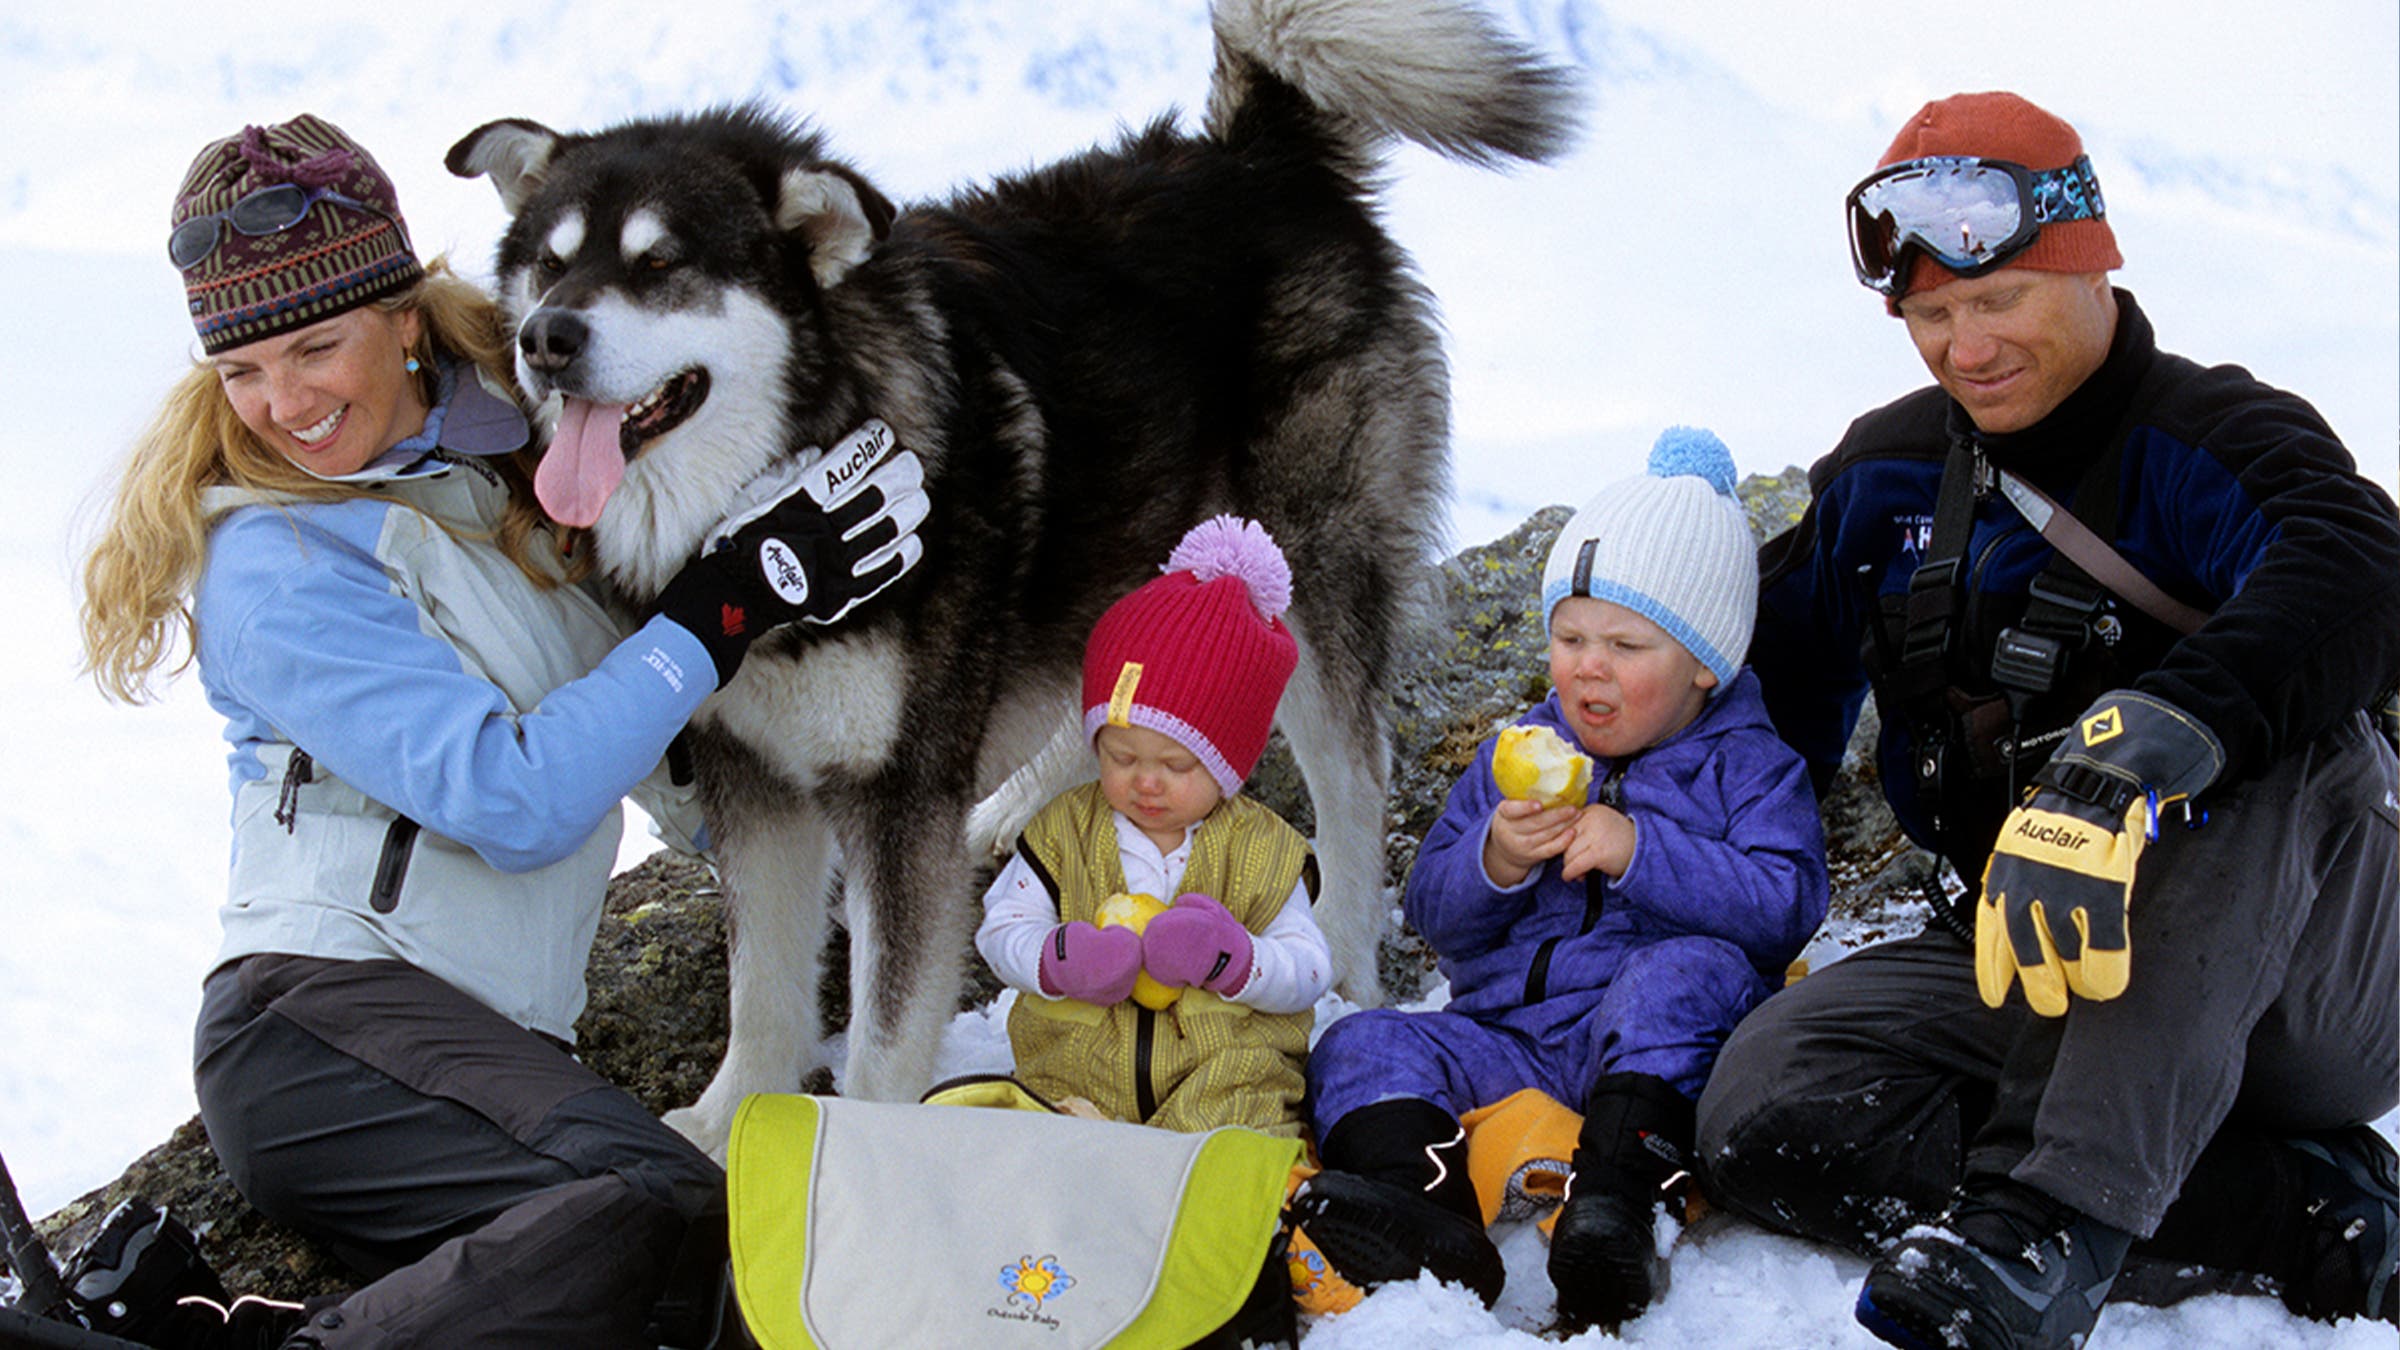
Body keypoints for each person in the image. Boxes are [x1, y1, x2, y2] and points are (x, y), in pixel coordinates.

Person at [72, 114, 928, 1349]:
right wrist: (729, 603)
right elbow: (515, 797)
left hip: (482, 1055)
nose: (285, 402)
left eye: (316, 345)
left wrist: (863, 742)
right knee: (665, 1205)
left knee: (701, 1285)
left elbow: (656, 753)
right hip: (319, 1028)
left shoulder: (508, 481)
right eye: (245, 371)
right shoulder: (276, 559)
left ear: (407, 317)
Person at [1693, 91, 2400, 1350]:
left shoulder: (2219, 438)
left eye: (1999, 300)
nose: (1967, 349)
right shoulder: (1887, 477)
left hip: (2316, 979)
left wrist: (2146, 746)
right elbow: (1764, 694)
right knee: (1768, 1106)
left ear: (2093, 265)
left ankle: (2047, 1226)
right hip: (2040, 958)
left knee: (2248, 729)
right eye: (1932, 316)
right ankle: (2305, 1213)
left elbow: (2355, 568)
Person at [1291, 430, 1829, 1329]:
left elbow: (1785, 907)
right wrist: (1495, 860)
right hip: (1505, 1035)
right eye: (1569, 635)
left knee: (1683, 973)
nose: (1587, 664)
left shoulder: (1751, 767)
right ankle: (1414, 1207)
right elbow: (1430, 910)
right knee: (1360, 1043)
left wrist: (1640, 852)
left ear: (1704, 663)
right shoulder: (1519, 752)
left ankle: (1619, 1207)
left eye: (1625, 643)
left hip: (1649, 1048)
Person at [975, 515, 1333, 1139]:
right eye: (1120, 757)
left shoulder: (1263, 851)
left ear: (1230, 765)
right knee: (1028, 1123)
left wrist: (1236, 958)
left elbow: (1308, 969)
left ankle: (1226, 1198)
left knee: (1245, 1120)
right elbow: (1001, 929)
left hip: (1220, 1082)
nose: (1146, 782)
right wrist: (1057, 958)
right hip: (1074, 1077)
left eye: (1176, 765)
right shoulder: (1064, 831)